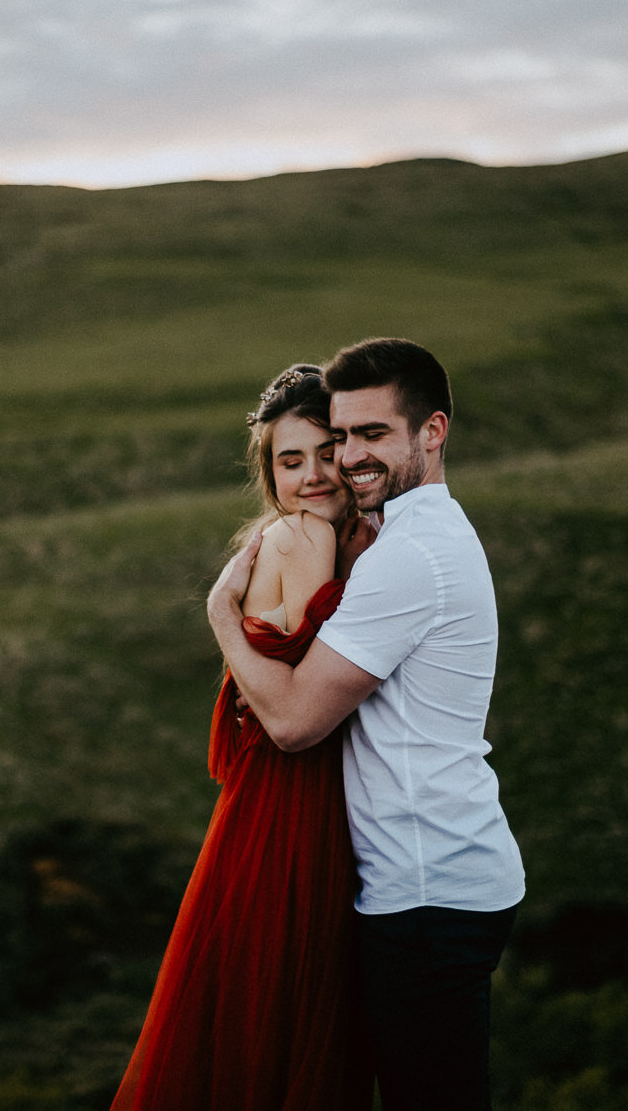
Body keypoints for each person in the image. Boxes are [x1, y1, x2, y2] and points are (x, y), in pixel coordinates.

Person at [207, 338, 527, 1111]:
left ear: (433, 431)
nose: (349, 457)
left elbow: (290, 722)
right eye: (342, 434)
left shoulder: (407, 555)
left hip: (427, 892)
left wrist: (220, 614)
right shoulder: (409, 536)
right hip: (435, 877)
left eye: (372, 434)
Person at [110, 364, 375, 1111]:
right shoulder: (302, 538)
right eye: (292, 461)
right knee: (282, 1027)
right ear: (270, 474)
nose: (315, 474)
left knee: (261, 1026)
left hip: (276, 802)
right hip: (294, 805)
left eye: (328, 451)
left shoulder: (301, 536)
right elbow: (293, 704)